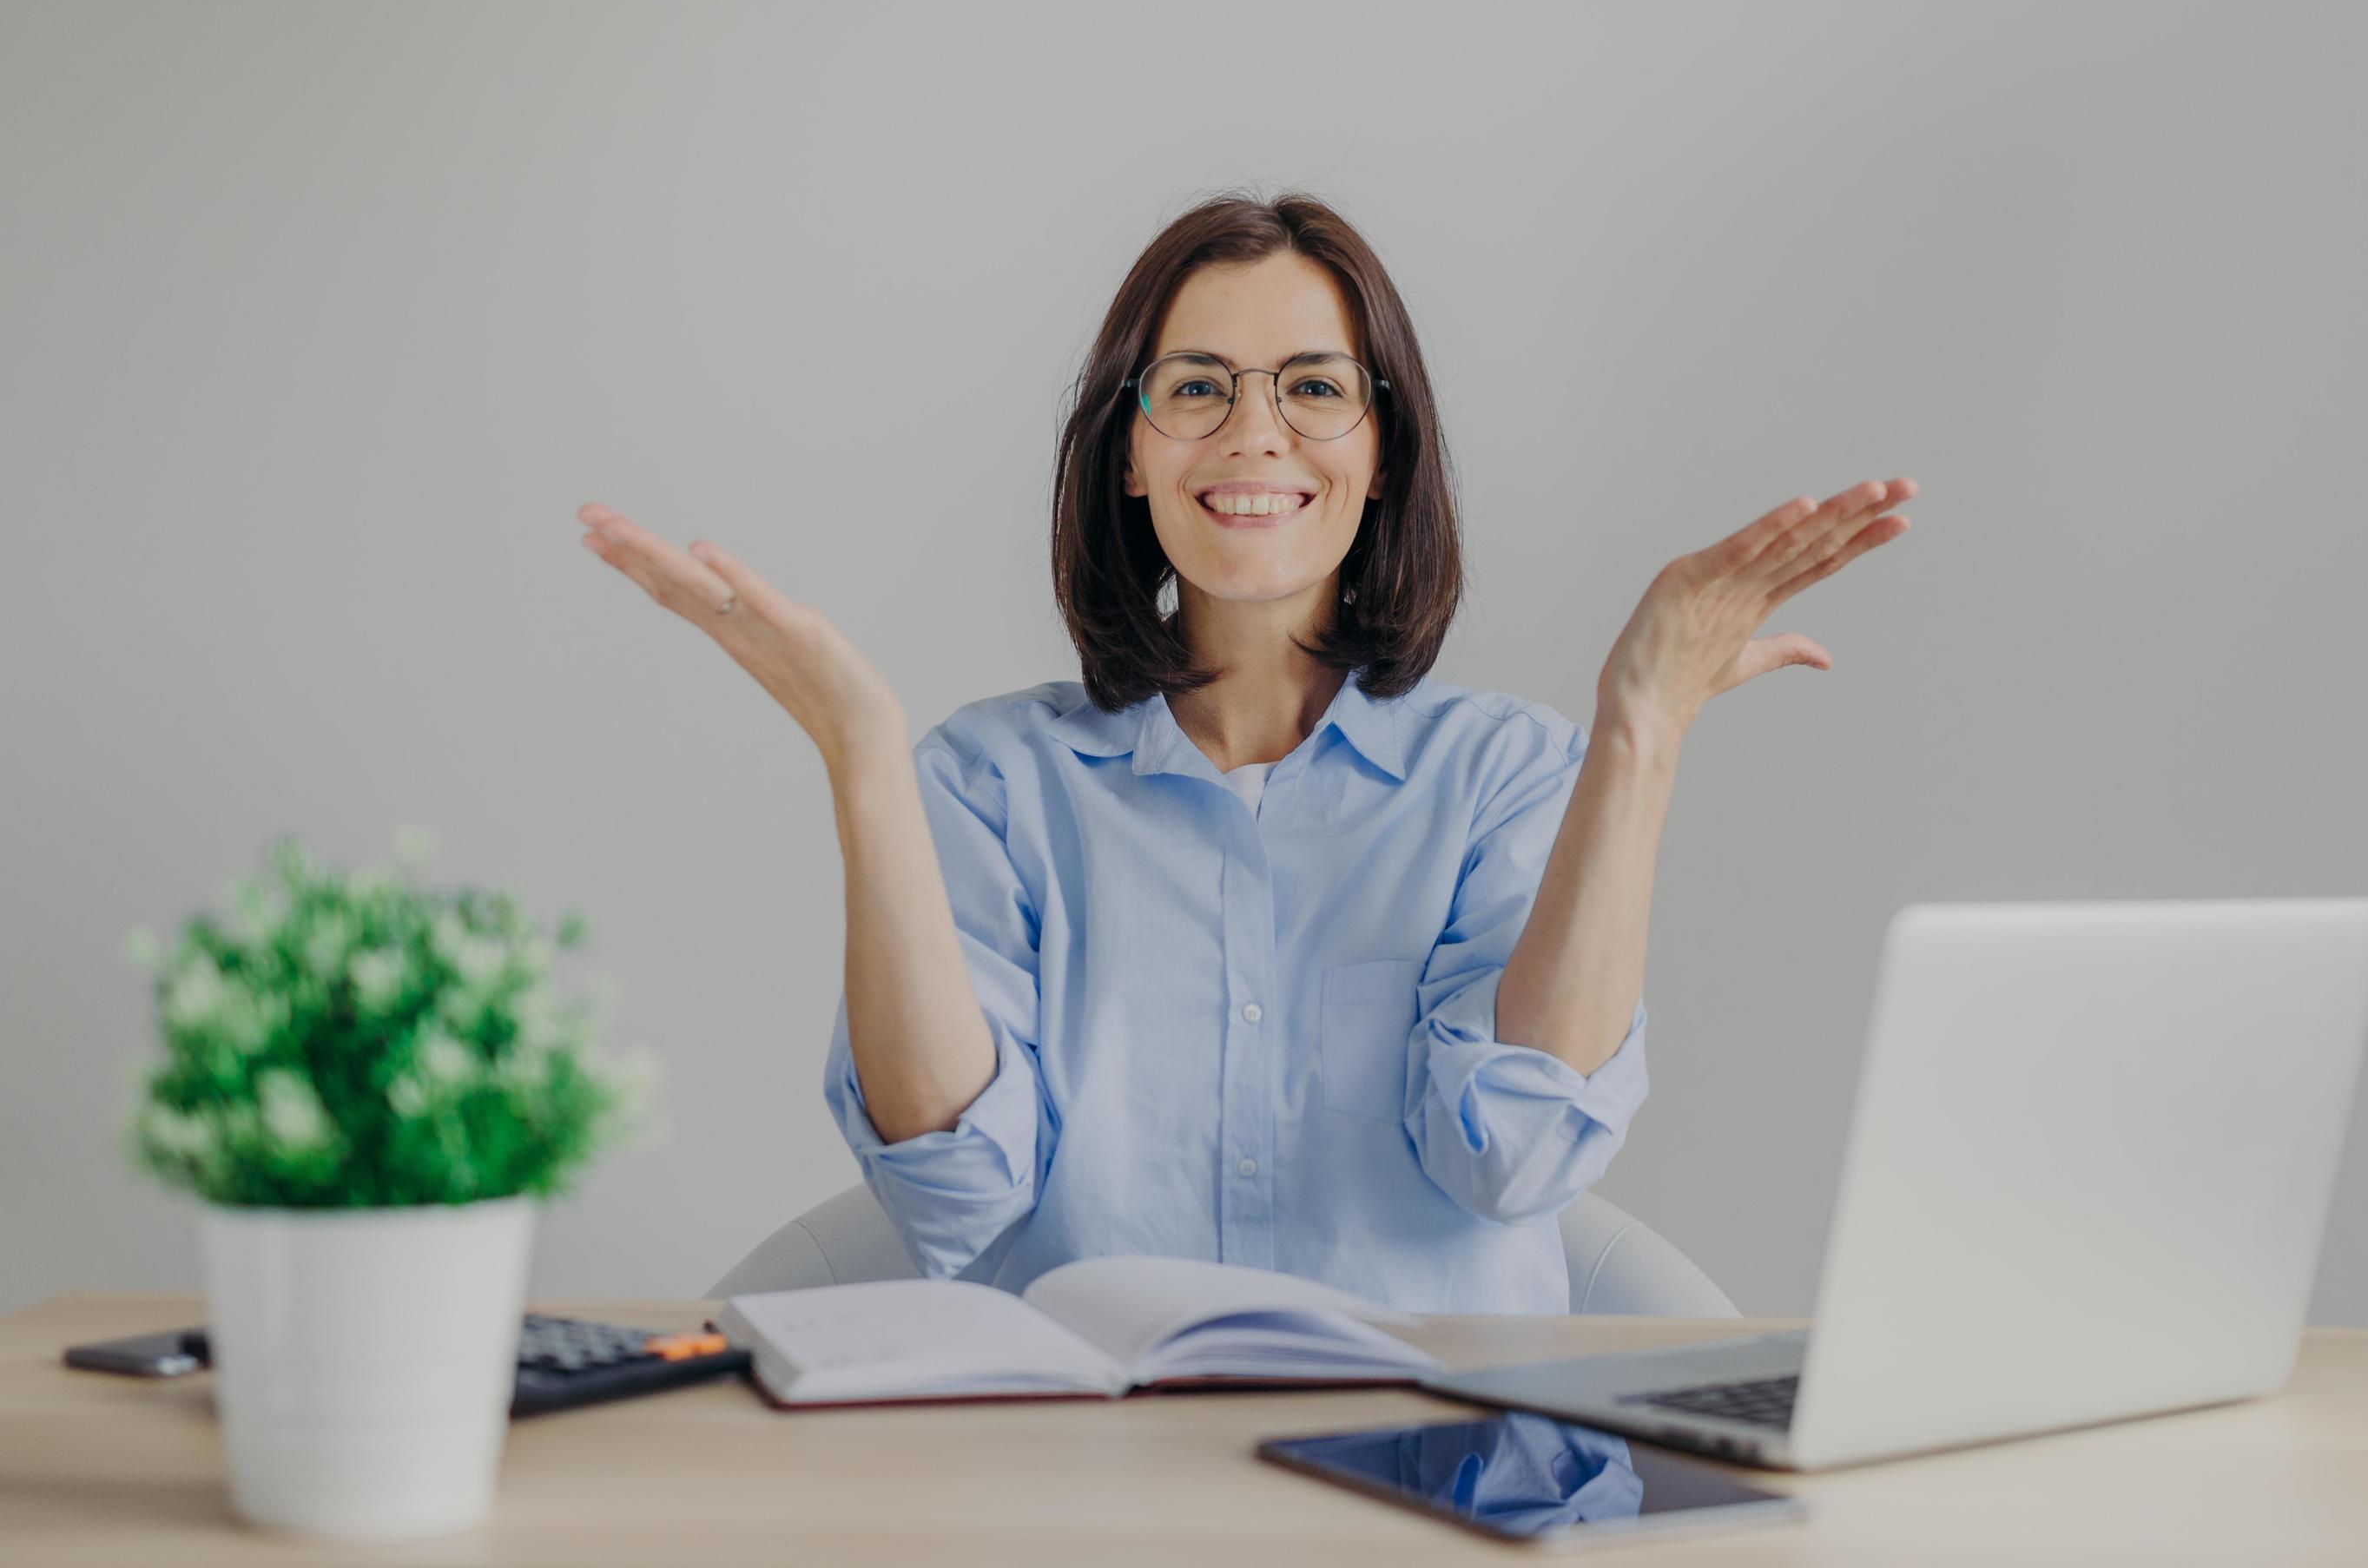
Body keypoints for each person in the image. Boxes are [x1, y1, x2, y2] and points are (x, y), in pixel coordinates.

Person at [576, 192, 1916, 1312]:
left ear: (1382, 453)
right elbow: (953, 1192)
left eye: (1316, 388)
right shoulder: (987, 783)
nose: (1255, 430)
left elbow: (1512, 1160)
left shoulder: (1507, 776)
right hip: (1082, 1483)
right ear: (1130, 454)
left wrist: (1642, 725)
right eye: (1196, 387)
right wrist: (861, 755)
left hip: (1443, 1486)